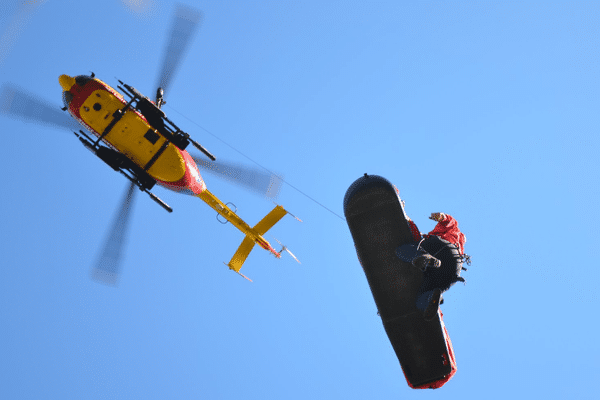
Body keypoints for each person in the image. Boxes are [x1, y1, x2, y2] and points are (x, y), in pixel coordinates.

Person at [404, 212, 469, 321]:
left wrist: (442, 217)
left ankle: (428, 259)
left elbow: (450, 222)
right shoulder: (460, 248)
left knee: (404, 250)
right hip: (453, 269)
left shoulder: (453, 231)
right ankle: (431, 300)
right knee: (425, 294)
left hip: (441, 249)